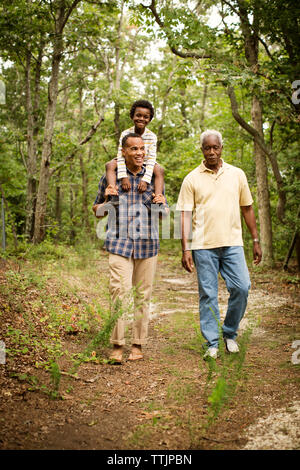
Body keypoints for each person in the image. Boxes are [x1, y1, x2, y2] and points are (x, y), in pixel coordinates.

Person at [176, 129, 262, 359]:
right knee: (208, 294)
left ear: (221, 148)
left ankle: (230, 332)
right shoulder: (191, 178)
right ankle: (212, 343)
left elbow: (247, 208)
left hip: (233, 243)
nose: (212, 152)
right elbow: (184, 215)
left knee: (242, 287)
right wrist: (185, 248)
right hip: (203, 246)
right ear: (202, 150)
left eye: (215, 147)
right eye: (207, 148)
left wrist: (255, 239)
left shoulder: (237, 174)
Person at [93, 133, 168, 363]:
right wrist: (107, 201)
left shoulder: (153, 177)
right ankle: (117, 344)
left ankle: (138, 343)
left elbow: (163, 215)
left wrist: (162, 205)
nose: (139, 153)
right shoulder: (112, 177)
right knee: (119, 292)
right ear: (123, 151)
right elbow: (96, 211)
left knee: (142, 296)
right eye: (133, 149)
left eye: (142, 149)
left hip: (147, 244)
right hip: (119, 243)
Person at [105, 99, 164, 197]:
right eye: (138, 115)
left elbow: (151, 159)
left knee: (159, 169)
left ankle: (158, 197)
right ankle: (112, 189)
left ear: (149, 119)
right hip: (127, 160)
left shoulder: (152, 136)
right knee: (110, 165)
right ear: (132, 116)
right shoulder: (125, 134)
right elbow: (120, 156)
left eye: (146, 117)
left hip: (144, 162)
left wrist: (145, 180)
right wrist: (123, 176)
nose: (141, 119)